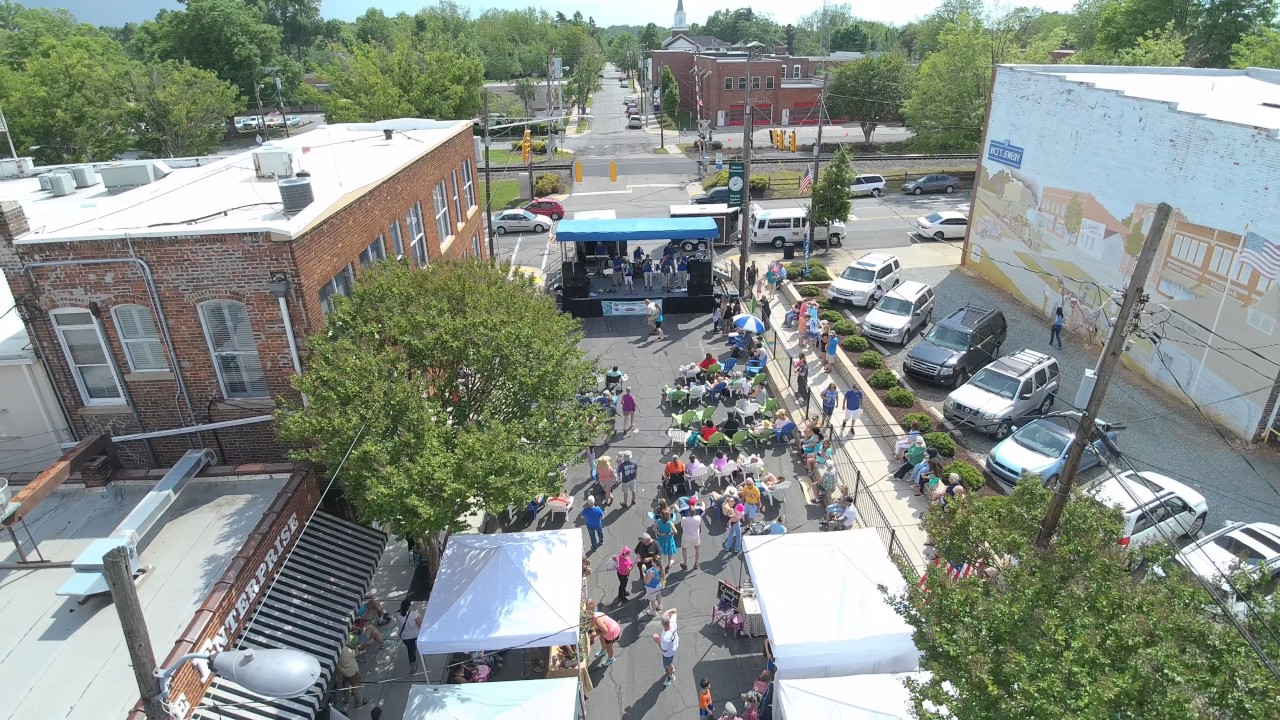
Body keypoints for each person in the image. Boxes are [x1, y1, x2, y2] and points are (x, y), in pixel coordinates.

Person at [336, 636, 368, 708]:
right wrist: (356, 647)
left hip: (343, 671)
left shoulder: (335, 652)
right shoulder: (346, 651)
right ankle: (358, 702)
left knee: (345, 684)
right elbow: (356, 653)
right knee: (355, 686)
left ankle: (347, 698)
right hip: (352, 671)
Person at [587, 599, 621, 667]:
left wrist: (596, 634)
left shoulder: (597, 619)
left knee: (609, 646)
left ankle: (611, 658)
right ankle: (603, 650)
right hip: (610, 628)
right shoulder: (595, 613)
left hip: (611, 632)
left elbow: (605, 631)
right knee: (602, 638)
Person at [395, 599, 423, 673]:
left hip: (405, 637)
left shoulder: (397, 614)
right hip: (416, 634)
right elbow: (420, 624)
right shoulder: (414, 614)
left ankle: (413, 665)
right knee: (415, 647)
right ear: (409, 606)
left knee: (410, 651)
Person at [654, 608, 679, 686]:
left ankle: (671, 676)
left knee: (668, 664)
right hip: (675, 645)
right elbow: (675, 610)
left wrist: (658, 641)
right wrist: (666, 612)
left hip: (668, 653)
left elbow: (664, 650)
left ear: (662, 624)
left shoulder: (665, 638)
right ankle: (671, 668)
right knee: (669, 663)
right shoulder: (672, 622)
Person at [679, 498, 705, 570]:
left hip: (686, 536)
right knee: (697, 548)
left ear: (689, 513)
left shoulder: (684, 519)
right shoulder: (698, 518)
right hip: (695, 536)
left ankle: (685, 564)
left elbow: (682, 525)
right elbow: (702, 509)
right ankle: (696, 564)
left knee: (684, 549)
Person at [654, 508, 678, 576]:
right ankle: (669, 563)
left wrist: (660, 533)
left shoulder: (658, 521)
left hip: (661, 538)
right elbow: (675, 531)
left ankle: (659, 563)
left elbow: (654, 529)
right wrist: (671, 533)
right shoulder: (669, 523)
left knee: (660, 550)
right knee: (669, 551)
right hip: (669, 539)